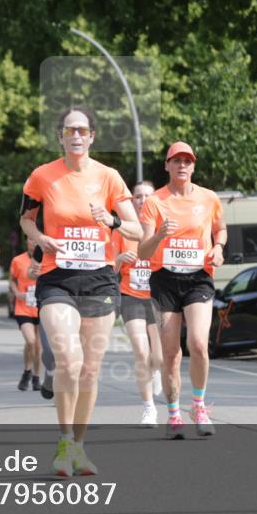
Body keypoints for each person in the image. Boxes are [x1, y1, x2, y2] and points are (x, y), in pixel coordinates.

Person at [20, 106, 141, 477]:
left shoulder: (109, 177)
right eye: (70, 130)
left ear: (92, 137)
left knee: (89, 370)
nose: (76, 135)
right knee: (69, 361)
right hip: (57, 277)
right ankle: (64, 441)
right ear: (60, 136)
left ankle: (79, 447)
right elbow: (25, 219)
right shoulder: (42, 176)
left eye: (82, 130)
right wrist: (41, 239)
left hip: (99, 280)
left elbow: (137, 230)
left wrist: (112, 220)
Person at [138, 141, 225, 439]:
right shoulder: (154, 202)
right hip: (164, 279)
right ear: (167, 166)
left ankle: (198, 406)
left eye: (187, 161)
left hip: (198, 277)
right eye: (176, 161)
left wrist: (218, 248)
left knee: (199, 343)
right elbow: (143, 252)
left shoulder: (209, 198)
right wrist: (159, 235)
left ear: (193, 166)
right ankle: (174, 414)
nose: (182, 165)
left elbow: (220, 229)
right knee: (171, 352)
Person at [111, 181, 164, 427]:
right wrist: (121, 258)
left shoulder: (162, 229)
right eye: (138, 196)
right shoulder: (122, 231)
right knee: (141, 353)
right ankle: (148, 408)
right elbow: (110, 269)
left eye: (147, 196)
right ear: (132, 201)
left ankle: (156, 371)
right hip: (131, 296)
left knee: (159, 358)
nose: (143, 201)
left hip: (158, 297)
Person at [10, 236, 42, 392]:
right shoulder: (18, 260)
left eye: (36, 240)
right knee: (30, 341)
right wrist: (17, 293)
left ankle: (36, 377)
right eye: (30, 239)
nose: (33, 242)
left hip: (41, 307)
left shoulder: (47, 260)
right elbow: (12, 280)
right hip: (23, 307)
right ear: (27, 241)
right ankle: (27, 372)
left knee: (39, 346)